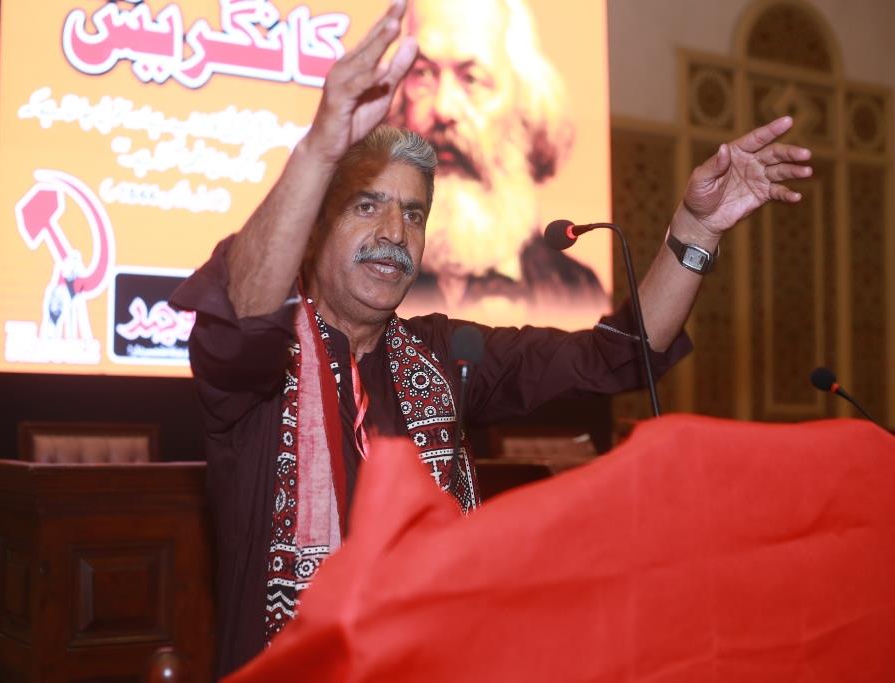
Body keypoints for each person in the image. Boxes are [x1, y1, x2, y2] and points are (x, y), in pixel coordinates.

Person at [170, 1, 812, 677]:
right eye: (366, 205)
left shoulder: (444, 357)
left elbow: (617, 356)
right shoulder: (258, 368)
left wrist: (697, 229)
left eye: (413, 213)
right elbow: (243, 312)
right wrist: (322, 148)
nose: (394, 234)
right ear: (313, 229)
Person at [388, 0, 606, 323]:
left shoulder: (578, 291)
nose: (444, 108)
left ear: (523, 104)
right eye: (423, 73)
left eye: (472, 79)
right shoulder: (362, 275)